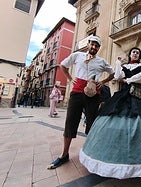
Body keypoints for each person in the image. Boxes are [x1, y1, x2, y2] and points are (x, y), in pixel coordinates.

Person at [79, 47, 141, 179]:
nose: (135, 54)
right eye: (133, 52)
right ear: (130, 54)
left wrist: (127, 80)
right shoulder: (125, 66)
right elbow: (117, 76)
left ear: (139, 55)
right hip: (124, 94)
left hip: (139, 93)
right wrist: (117, 64)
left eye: (137, 52)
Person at [47, 35, 115, 169]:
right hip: (77, 92)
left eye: (97, 45)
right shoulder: (77, 55)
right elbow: (63, 65)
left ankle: (91, 153)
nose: (94, 47)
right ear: (88, 44)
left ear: (99, 48)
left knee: (92, 124)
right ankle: (64, 154)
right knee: (70, 122)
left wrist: (103, 82)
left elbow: (113, 73)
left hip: (93, 95)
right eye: (92, 44)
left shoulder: (101, 61)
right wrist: (69, 79)